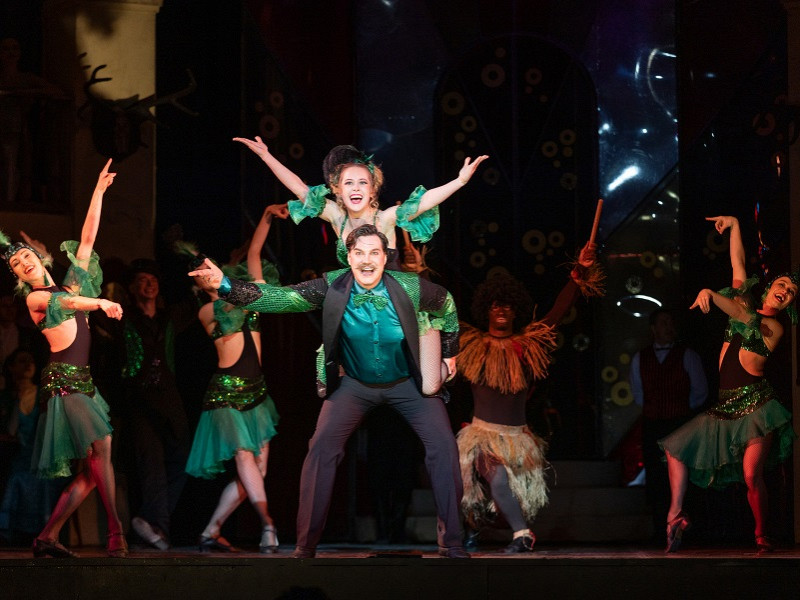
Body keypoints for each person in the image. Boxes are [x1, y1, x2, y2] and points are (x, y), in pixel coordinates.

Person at [189, 223, 468, 558]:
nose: (367, 260)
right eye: (359, 253)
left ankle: (452, 542)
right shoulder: (332, 286)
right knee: (321, 449)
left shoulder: (410, 287)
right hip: (354, 384)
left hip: (407, 382)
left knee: (443, 445)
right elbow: (280, 298)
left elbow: (447, 304)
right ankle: (306, 545)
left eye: (374, 253)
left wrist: (449, 351)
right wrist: (224, 284)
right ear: (349, 257)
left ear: (385, 258)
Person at [1, 159, 128, 558]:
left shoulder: (69, 282)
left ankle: (48, 536)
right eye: (16, 265)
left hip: (84, 381)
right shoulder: (37, 300)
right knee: (102, 448)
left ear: (38, 258)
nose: (24, 263)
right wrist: (100, 302)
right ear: (19, 277)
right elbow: (70, 303)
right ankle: (116, 533)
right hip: (64, 382)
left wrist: (98, 191)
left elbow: (87, 238)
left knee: (91, 470)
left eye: (26, 257)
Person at [660, 215, 797, 553]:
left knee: (751, 475)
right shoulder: (745, 302)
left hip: (758, 407)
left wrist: (709, 293)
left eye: (792, 293)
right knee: (675, 450)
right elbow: (738, 265)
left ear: (791, 304)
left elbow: (741, 316)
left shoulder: (775, 328)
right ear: (769, 286)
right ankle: (675, 514)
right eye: (782, 285)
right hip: (726, 406)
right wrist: (735, 226)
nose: (785, 291)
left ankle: (762, 534)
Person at [456, 241, 602, 552]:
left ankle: (473, 528)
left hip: (518, 439)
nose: (501, 310)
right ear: (485, 309)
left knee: (503, 495)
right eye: (495, 305)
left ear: (516, 310)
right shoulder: (470, 342)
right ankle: (522, 534)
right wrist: (412, 271)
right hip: (481, 436)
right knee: (492, 480)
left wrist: (580, 270)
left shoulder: (528, 345)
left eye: (507, 305)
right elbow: (431, 310)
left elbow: (558, 313)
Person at [185, 204, 286, 553]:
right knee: (244, 459)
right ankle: (268, 525)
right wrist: (232, 278)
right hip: (226, 394)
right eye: (200, 272)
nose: (206, 273)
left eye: (208, 267)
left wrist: (267, 217)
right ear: (197, 283)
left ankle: (211, 529)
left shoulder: (244, 297)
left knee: (256, 470)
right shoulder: (207, 311)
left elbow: (254, 254)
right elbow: (234, 298)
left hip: (258, 394)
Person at [233, 136, 488, 268]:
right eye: (349, 183)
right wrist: (266, 156)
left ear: (373, 190)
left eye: (362, 182)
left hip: (391, 305)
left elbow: (423, 202)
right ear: (337, 190)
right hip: (353, 300)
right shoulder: (336, 216)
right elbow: (300, 188)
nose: (355, 188)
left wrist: (459, 181)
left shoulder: (384, 218)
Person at [117, 258, 192, 550]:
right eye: (142, 280)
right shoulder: (123, 317)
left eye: (153, 280)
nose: (149, 284)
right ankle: (158, 528)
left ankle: (149, 522)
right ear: (132, 287)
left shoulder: (169, 317)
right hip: (140, 402)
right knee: (152, 466)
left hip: (170, 401)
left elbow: (197, 299)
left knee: (184, 460)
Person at [629, 308, 708, 534]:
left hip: (679, 424)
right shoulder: (640, 358)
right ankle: (659, 528)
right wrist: (655, 408)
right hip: (653, 425)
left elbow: (700, 391)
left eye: (671, 323)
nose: (669, 327)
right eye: (664, 323)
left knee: (683, 476)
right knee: (656, 476)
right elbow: (638, 393)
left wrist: (680, 409)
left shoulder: (687, 355)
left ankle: (685, 527)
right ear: (653, 329)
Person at [0, 349, 67, 544]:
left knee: (35, 477)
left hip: (42, 455)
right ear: (11, 367)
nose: (28, 365)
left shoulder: (42, 394)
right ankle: (12, 532)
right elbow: (10, 430)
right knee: (14, 476)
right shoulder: (7, 397)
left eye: (31, 361)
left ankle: (43, 531)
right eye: (22, 361)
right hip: (20, 455)